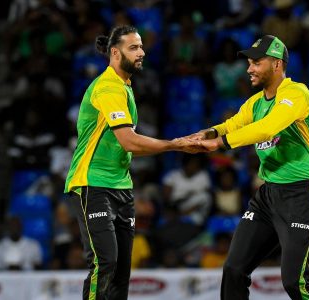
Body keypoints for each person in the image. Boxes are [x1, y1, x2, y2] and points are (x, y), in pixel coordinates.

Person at [64, 25, 200, 300]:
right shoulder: (107, 87)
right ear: (115, 53)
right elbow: (129, 141)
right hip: (93, 184)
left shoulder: (125, 87)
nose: (142, 53)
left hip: (121, 187)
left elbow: (127, 146)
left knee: (121, 274)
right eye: (134, 48)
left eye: (141, 47)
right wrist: (175, 145)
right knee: (105, 263)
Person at [189, 35, 309, 299]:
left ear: (276, 64)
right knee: (233, 270)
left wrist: (221, 143)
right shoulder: (255, 103)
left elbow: (267, 128)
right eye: (249, 63)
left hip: (301, 194)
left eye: (256, 62)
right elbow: (231, 125)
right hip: (268, 196)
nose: (249, 69)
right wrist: (202, 136)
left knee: (294, 282)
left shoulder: (296, 93)